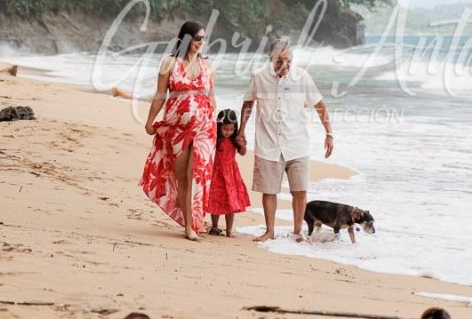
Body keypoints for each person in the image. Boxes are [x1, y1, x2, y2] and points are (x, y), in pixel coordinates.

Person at [238, 38, 334, 242]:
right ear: (270, 58)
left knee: (300, 191)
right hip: (268, 144)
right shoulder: (259, 77)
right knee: (269, 191)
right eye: (280, 60)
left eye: (288, 59)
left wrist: (329, 133)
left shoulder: (302, 77)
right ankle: (270, 231)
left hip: (297, 144)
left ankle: (298, 231)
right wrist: (241, 131)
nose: (285, 65)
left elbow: (320, 106)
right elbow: (247, 105)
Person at [139, 21, 216, 241]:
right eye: (197, 38)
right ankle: (188, 223)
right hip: (177, 129)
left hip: (204, 129)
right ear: (186, 39)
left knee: (196, 175)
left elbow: (212, 97)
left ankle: (191, 227)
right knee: (183, 178)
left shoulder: (208, 66)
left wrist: (213, 121)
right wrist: (149, 121)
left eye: (203, 39)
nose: (201, 43)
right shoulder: (169, 63)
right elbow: (160, 95)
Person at [207, 109, 251, 237]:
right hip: (216, 174)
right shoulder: (215, 139)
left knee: (231, 202)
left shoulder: (234, 139)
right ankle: (214, 226)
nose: (228, 132)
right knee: (216, 200)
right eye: (225, 129)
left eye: (231, 129)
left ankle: (229, 230)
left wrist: (242, 145)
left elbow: (242, 153)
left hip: (231, 175)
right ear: (219, 126)